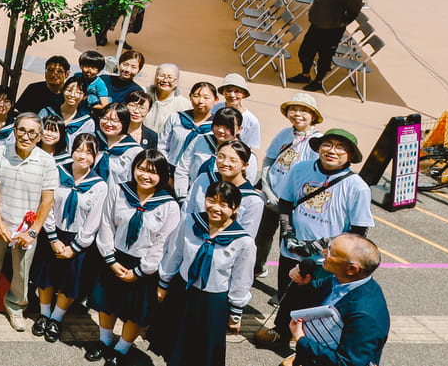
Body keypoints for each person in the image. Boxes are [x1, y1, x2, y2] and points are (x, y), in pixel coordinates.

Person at [258, 128, 374, 347]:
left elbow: (359, 230)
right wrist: (288, 232)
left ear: (349, 155)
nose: (332, 151)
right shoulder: (300, 169)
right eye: (327, 144)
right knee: (287, 293)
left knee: (317, 304)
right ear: (319, 147)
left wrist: (319, 245)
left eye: (341, 148)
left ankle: (308, 347)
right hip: (291, 250)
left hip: (326, 260)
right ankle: (281, 332)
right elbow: (286, 202)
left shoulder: (357, 186)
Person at [90, 149, 182, 363]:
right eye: (140, 168)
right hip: (115, 257)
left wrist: (140, 271)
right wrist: (110, 259)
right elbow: (106, 224)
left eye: (152, 171)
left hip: (142, 265)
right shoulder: (119, 191)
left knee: (134, 312)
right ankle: (104, 341)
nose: (145, 175)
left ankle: (121, 349)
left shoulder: (169, 206)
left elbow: (162, 244)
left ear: (162, 175)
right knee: (108, 302)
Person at [151, 180, 255, 366]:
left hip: (213, 302)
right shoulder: (190, 221)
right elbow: (175, 253)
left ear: (235, 208)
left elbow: (241, 280)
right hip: (183, 291)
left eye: (224, 204)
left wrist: (236, 313)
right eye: (211, 200)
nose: (215, 208)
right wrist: (164, 283)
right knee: (175, 344)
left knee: (203, 353)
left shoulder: (243, 242)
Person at [0, 112, 55, 330]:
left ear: (39, 137)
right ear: (15, 131)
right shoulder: (1, 152)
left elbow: (47, 201)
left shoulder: (47, 162)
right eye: (22, 130)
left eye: (32, 133)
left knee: (21, 271)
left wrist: (33, 231)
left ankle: (16, 307)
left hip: (26, 229)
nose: (26, 136)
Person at [36, 134, 108, 342]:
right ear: (71, 151)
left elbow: (93, 221)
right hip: (53, 234)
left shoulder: (99, 185)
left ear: (96, 156)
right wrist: (52, 239)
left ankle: (56, 318)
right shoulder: (58, 173)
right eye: (78, 150)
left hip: (77, 240)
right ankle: (43, 314)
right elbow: (47, 204)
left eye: (88, 152)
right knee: (46, 277)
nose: (82, 156)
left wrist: (75, 247)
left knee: (70, 282)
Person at [286, 233, 390, 366]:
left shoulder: (364, 314)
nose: (324, 252)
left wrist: (302, 340)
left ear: (352, 269)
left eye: (331, 252)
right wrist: (302, 282)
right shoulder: (340, 280)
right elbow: (314, 292)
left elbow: (347, 363)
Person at [259, 94, 323, 276]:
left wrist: (294, 202)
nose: (297, 114)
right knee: (261, 237)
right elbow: (269, 160)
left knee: (288, 247)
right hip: (270, 198)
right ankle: (257, 268)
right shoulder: (284, 134)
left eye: (304, 110)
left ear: (313, 115)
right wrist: (267, 190)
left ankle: (284, 287)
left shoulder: (318, 141)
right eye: (293, 109)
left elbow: (314, 180)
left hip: (293, 205)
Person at [289, 0, 363, 93]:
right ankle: (305, 75)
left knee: (324, 58)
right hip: (316, 25)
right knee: (304, 52)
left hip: (332, 31)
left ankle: (318, 81)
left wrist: (340, 23)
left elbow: (354, 12)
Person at [163, 81, 220, 196]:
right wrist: (166, 173)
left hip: (197, 176)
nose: (200, 101)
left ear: (216, 100)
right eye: (196, 96)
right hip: (168, 171)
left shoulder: (217, 128)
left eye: (206, 97)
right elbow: (162, 145)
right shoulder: (176, 118)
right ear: (190, 96)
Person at [94, 103, 145, 187]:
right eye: (105, 118)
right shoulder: (93, 141)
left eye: (114, 121)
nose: (108, 124)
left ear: (124, 123)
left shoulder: (135, 151)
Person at [86, 49, 145, 113]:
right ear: (119, 64)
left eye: (133, 67)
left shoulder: (137, 91)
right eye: (125, 64)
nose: (128, 69)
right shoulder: (103, 79)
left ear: (139, 70)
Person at [44, 73, 95, 144]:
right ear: (63, 91)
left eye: (78, 92)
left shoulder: (86, 122)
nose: (72, 95)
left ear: (84, 96)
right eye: (69, 90)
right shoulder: (47, 112)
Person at [217, 72, 263, 150]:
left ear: (244, 94)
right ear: (223, 92)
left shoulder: (252, 121)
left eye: (237, 91)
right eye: (229, 91)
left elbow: (249, 147)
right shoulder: (214, 109)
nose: (232, 95)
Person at [145, 63, 190, 138]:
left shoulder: (184, 105)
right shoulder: (144, 94)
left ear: (177, 82)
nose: (165, 80)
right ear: (155, 78)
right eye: (161, 76)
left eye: (170, 77)